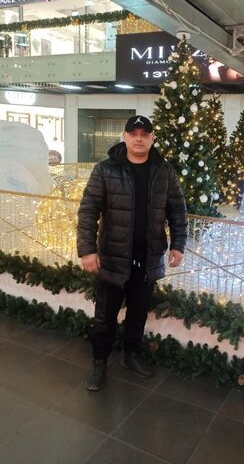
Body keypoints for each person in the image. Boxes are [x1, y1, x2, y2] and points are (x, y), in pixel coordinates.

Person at [77, 115, 188, 391]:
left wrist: (178, 244)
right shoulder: (106, 170)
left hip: (147, 259)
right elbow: (88, 210)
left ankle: (130, 355)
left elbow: (177, 209)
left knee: (138, 313)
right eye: (134, 133)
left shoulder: (164, 171)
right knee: (105, 315)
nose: (139, 138)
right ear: (125, 137)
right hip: (113, 258)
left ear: (152, 139)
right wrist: (87, 250)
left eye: (144, 134)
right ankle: (99, 362)